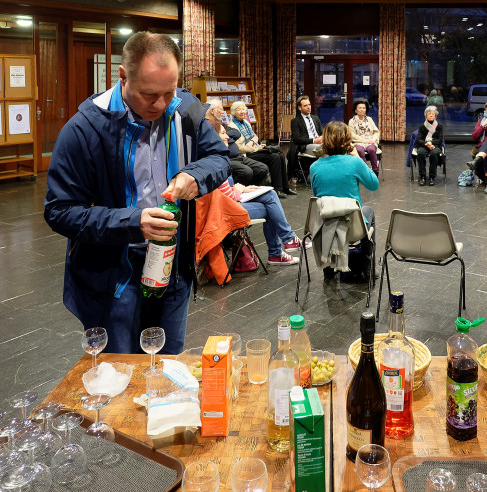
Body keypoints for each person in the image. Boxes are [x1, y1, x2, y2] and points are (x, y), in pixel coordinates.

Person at [44, 31, 230, 354]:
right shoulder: (85, 129)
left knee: (167, 370)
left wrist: (194, 175)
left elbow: (220, 158)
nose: (160, 104)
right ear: (122, 76)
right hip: (114, 275)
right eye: (148, 95)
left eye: (168, 92)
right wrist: (134, 222)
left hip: (173, 267)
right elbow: (59, 211)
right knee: (120, 378)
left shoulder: (186, 110)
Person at [205, 109, 306, 266]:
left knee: (270, 195)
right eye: (223, 133)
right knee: (271, 207)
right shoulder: (216, 162)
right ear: (213, 138)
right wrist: (238, 190)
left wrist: (241, 189)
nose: (227, 136)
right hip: (225, 212)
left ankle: (284, 243)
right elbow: (224, 198)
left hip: (228, 205)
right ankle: (281, 247)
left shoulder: (216, 158)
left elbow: (223, 192)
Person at [309, 121, 379, 280]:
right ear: (348, 141)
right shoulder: (354, 163)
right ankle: (367, 265)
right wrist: (359, 158)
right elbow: (374, 185)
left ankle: (328, 269)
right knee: (369, 212)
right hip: (353, 229)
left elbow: (317, 196)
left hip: (324, 226)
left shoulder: (314, 167)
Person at [228, 100, 294, 197]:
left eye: (243, 109)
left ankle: (285, 187)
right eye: (238, 110)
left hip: (254, 148)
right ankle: (277, 189)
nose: (242, 112)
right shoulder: (232, 126)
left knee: (279, 155)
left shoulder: (246, 122)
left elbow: (255, 137)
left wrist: (251, 143)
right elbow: (239, 148)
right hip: (246, 154)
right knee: (274, 157)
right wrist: (254, 148)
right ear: (234, 112)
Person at [207, 98, 270, 188]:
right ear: (212, 111)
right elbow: (234, 135)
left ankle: (251, 188)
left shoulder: (222, 123)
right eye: (220, 109)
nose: (223, 112)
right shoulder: (209, 125)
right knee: (247, 171)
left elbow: (236, 133)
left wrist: (225, 134)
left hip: (239, 156)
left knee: (263, 168)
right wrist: (254, 148)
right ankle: (239, 190)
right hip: (228, 157)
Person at [288, 95, 322, 180]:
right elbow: (296, 139)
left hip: (319, 142)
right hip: (306, 145)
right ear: (299, 108)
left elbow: (321, 133)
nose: (308, 107)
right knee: (325, 150)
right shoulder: (295, 121)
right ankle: (323, 178)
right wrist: (314, 140)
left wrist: (323, 138)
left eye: (309, 105)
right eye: (305, 105)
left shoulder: (316, 118)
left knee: (335, 147)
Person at [347, 99, 380, 174]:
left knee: (371, 149)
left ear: (366, 110)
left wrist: (373, 139)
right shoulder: (351, 121)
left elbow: (376, 132)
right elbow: (352, 136)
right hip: (358, 142)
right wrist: (365, 141)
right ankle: (365, 171)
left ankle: (375, 171)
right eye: (360, 108)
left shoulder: (369, 119)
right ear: (355, 110)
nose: (362, 110)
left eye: (364, 108)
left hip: (370, 141)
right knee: (359, 150)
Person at [413, 105, 444, 186]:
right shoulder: (422, 126)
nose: (431, 115)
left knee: (434, 154)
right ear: (426, 115)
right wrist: (426, 144)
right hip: (424, 145)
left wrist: (431, 142)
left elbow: (440, 139)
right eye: (429, 113)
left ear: (435, 116)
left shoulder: (439, 126)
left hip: (435, 146)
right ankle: (422, 176)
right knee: (421, 153)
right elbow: (419, 139)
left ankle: (432, 177)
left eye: (432, 114)